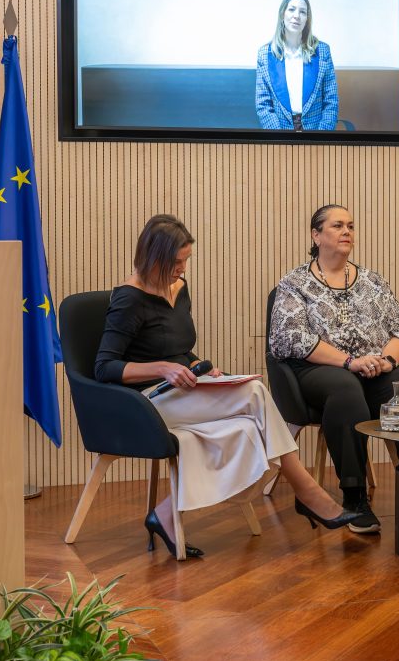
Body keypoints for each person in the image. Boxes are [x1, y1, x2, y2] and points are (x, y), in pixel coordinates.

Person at [94, 214, 360, 558]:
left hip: (183, 391)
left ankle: (165, 514)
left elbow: (177, 348)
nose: (182, 270)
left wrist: (198, 367)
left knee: (248, 426)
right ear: (153, 258)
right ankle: (308, 493)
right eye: (176, 263)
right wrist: (163, 368)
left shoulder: (178, 288)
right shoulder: (129, 299)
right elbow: (105, 368)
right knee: (254, 394)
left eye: (186, 260)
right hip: (147, 402)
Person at [268, 205, 399, 534]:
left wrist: (386, 361)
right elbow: (290, 339)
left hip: (374, 366)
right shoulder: (295, 283)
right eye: (337, 225)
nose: (347, 232)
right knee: (346, 391)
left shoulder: (372, 280)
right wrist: (348, 362)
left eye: (350, 226)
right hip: (318, 368)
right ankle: (355, 497)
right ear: (316, 235)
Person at [254, 0, 339, 131]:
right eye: (291, 9)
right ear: (282, 14)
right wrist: (279, 138)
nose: (296, 16)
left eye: (302, 12)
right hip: (280, 134)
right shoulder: (265, 54)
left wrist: (321, 137)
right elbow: (263, 105)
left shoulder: (322, 51)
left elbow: (331, 101)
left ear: (307, 20)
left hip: (316, 132)